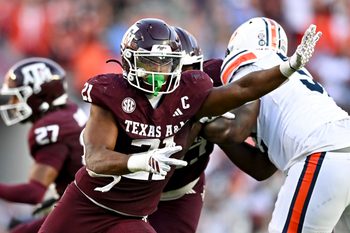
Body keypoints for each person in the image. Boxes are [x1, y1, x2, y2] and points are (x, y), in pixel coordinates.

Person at [39, 17, 320, 233]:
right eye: (153, 63)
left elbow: (244, 90)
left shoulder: (195, 89)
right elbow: (96, 158)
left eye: (169, 65)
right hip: (103, 196)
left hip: (161, 199)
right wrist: (141, 160)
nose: (163, 75)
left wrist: (290, 66)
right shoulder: (112, 94)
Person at [219, 16, 350, 233]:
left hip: (321, 153)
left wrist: (203, 118)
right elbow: (262, 168)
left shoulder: (251, 64)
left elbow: (236, 130)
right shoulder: (289, 76)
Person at [148, 26, 277, 233]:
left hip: (181, 192)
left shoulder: (213, 79)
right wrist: (198, 121)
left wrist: (216, 129)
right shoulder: (131, 101)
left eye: (187, 70)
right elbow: (161, 167)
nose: (180, 81)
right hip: (131, 189)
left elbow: (261, 168)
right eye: (169, 71)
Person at [0, 57, 87, 233]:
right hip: (87, 199)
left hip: (85, 208)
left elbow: (33, 193)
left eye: (18, 97)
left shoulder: (49, 127)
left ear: (39, 95)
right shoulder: (69, 110)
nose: (13, 104)